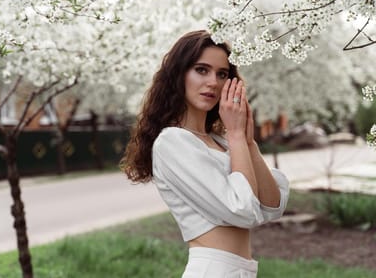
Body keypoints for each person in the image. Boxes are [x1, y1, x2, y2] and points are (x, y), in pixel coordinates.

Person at [121, 30, 289, 278]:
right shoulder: (172, 142)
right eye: (201, 70)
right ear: (180, 75)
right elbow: (241, 209)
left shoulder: (221, 141)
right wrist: (235, 135)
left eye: (222, 74)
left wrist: (247, 142)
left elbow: (272, 206)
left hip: (241, 270)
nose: (213, 82)